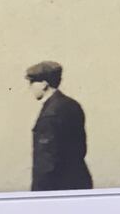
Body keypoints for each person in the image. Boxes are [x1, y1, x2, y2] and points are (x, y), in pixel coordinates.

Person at [26, 61, 93, 192]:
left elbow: (46, 161)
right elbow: (81, 148)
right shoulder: (72, 105)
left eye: (32, 82)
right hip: (79, 181)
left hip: (56, 186)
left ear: (44, 84)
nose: (30, 88)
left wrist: (37, 195)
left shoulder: (50, 114)